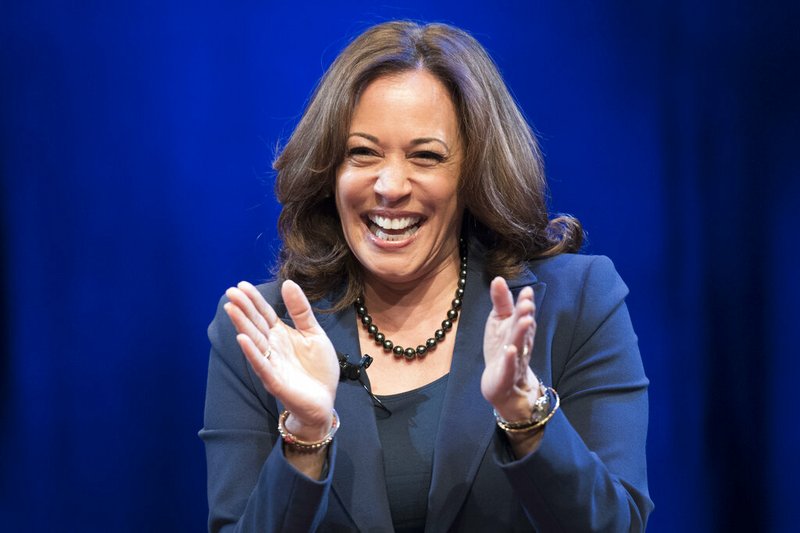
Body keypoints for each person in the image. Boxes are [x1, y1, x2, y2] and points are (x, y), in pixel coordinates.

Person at [200, 20, 653, 532]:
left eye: (426, 156)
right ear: (330, 170)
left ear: (475, 174)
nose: (390, 186)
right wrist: (306, 433)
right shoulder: (263, 333)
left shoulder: (578, 303)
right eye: (363, 153)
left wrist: (526, 414)